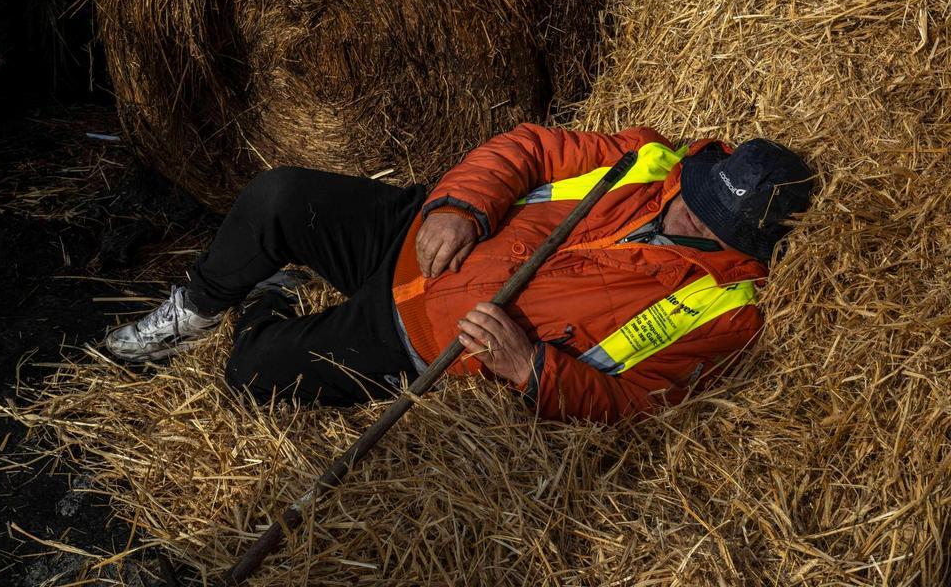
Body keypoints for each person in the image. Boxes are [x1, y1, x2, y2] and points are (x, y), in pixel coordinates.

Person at [103, 125, 814, 422]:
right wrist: (463, 206)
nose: (686, 215)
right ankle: (193, 309)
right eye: (696, 197)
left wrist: (531, 366)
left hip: (421, 341)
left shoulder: (724, 313)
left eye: (707, 225)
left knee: (252, 372)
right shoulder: (651, 161)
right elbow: (527, 147)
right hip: (413, 233)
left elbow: (635, 404)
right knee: (278, 196)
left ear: (745, 244)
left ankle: (261, 301)